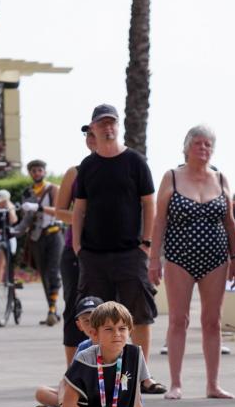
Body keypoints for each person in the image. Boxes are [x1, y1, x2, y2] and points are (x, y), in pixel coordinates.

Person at [0, 302, 168, 407]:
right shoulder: (85, 358)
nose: (117, 334)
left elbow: (135, 403)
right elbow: (68, 405)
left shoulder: (135, 356)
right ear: (94, 333)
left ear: (130, 331)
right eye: (109, 329)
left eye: (122, 328)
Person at [71, 104, 161, 388]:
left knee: (139, 314)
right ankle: (103, 377)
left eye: (112, 123)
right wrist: (77, 245)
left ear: (118, 126)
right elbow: (79, 208)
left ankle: (140, 378)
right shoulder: (87, 166)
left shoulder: (135, 161)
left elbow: (149, 203)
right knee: (96, 318)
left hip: (130, 253)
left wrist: (146, 243)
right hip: (94, 255)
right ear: (93, 129)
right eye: (102, 124)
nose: (108, 128)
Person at [148, 125, 235, 400]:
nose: (203, 148)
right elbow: (160, 219)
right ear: (186, 147)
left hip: (215, 257)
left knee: (212, 320)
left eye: (208, 144)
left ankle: (213, 384)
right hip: (178, 257)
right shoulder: (172, 177)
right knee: (178, 319)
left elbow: (230, 221)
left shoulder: (220, 178)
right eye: (198, 143)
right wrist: (154, 258)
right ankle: (176, 383)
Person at [54, 125, 96, 365]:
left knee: (112, 309)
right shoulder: (75, 172)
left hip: (111, 251)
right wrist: (85, 218)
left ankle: (114, 368)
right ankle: (73, 371)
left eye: (96, 133)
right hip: (75, 250)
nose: (93, 138)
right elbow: (60, 211)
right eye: (88, 135)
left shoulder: (124, 167)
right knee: (74, 308)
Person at [33, 296, 100, 407]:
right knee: (41, 392)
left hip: (105, 398)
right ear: (79, 325)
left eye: (95, 320)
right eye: (86, 321)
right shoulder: (83, 347)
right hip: (83, 397)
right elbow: (68, 380)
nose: (92, 326)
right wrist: (63, 401)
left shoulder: (114, 344)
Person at [19, 159, 65, 326]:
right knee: (44, 274)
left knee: (53, 272)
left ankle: (52, 310)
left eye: (39, 170)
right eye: (33, 171)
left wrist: (38, 208)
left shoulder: (53, 189)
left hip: (53, 234)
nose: (37, 173)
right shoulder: (27, 192)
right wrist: (15, 231)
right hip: (36, 237)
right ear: (30, 173)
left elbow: (59, 212)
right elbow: (25, 220)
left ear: (44, 172)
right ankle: (52, 309)